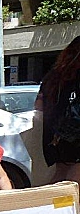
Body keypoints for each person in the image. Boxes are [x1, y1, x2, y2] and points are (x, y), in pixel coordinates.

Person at [35, 36, 80, 186]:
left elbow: (38, 106)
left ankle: (54, 207)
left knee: (60, 173)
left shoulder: (52, 76)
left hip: (53, 134)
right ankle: (68, 208)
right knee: (74, 181)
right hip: (75, 134)